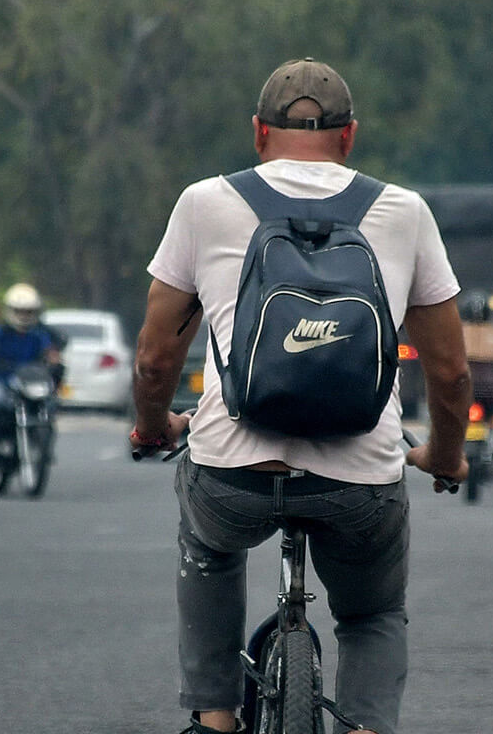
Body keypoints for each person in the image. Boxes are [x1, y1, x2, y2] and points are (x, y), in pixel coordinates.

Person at [131, 58, 471, 734]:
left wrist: (152, 428)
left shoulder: (204, 203)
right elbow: (452, 372)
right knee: (372, 613)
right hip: (361, 481)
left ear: (258, 133)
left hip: (235, 472)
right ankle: (366, 728)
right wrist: (446, 456)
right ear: (350, 137)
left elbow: (154, 356)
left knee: (211, 544)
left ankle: (215, 715)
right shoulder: (404, 212)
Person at [0, 282, 60, 463]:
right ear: (10, 310)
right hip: (1, 379)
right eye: (20, 311)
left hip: (29, 382)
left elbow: (50, 353)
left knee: (49, 407)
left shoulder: (39, 334)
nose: (24, 316)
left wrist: (54, 362)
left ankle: (44, 448)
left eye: (28, 312)